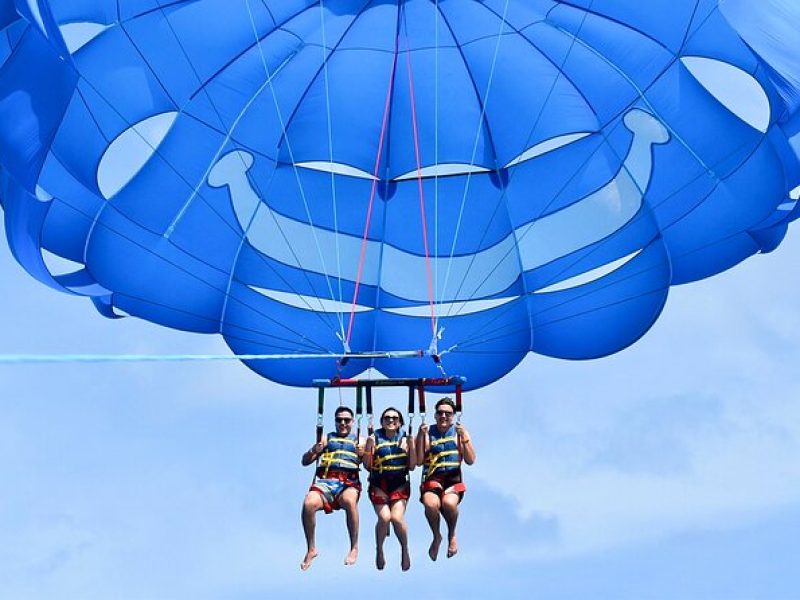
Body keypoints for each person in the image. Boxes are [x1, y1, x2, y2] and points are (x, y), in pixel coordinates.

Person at [300, 406, 365, 571]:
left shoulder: (360, 439)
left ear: (352, 422)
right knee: (308, 503)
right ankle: (311, 548)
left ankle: (354, 547)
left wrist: (364, 453)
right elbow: (305, 461)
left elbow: (370, 465)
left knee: (350, 501)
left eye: (346, 420)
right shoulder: (326, 438)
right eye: (339, 420)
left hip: (348, 483)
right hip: (326, 482)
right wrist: (314, 450)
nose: (343, 423)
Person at [416, 397, 476, 561]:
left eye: (448, 413)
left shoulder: (460, 433)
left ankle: (452, 534)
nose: (443, 416)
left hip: (453, 479)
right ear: (435, 415)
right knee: (430, 504)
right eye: (440, 413)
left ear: (453, 415)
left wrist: (464, 437)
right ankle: (436, 536)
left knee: (449, 504)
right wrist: (420, 437)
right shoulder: (427, 433)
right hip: (432, 479)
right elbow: (419, 461)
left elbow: (470, 460)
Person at [363, 406, 416, 571]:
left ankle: (404, 549)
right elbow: (367, 466)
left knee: (396, 518)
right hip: (379, 484)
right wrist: (369, 447)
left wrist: (412, 447)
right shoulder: (374, 438)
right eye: (387, 418)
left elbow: (413, 466)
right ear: (382, 421)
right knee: (385, 518)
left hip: (399, 484)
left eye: (394, 418)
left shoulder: (406, 439)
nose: (391, 420)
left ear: (400, 422)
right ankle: (379, 549)